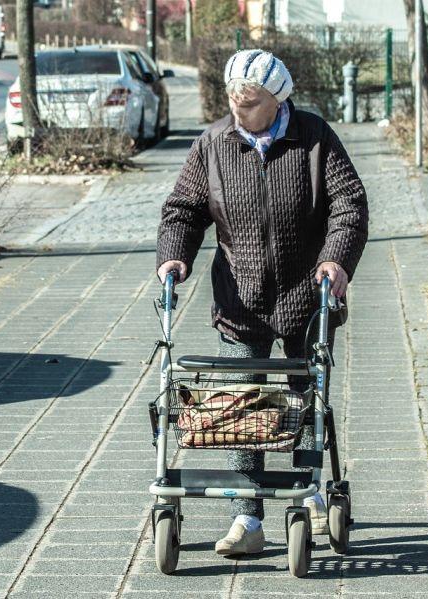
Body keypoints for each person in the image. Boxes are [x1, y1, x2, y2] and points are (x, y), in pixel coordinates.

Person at [156, 49, 368, 557]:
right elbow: (183, 210)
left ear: (278, 100)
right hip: (241, 297)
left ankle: (307, 491)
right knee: (241, 405)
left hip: (306, 295)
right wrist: (173, 258)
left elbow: (349, 205)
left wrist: (336, 261)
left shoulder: (314, 138)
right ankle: (247, 519)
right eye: (233, 97)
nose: (238, 106)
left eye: (249, 100)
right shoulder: (213, 143)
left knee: (302, 398)